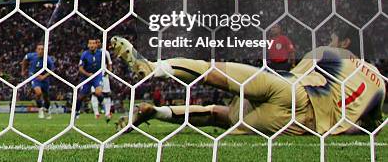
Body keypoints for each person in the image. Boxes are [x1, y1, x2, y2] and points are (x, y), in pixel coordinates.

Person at [112, 27, 385, 135]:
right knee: (224, 116)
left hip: (290, 89)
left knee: (213, 71)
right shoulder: (380, 85)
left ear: (347, 43)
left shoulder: (331, 53)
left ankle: (153, 68)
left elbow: (300, 75)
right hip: (303, 126)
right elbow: (371, 124)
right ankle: (156, 112)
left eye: (334, 38)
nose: (330, 42)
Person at [21, 43, 55, 119]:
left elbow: (52, 69)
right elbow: (25, 60)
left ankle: (47, 109)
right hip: (34, 77)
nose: (40, 51)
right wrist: (23, 70)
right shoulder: (31, 56)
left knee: (46, 97)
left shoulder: (47, 59)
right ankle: (40, 109)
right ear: (36, 50)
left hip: (44, 79)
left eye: (42, 49)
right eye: (39, 49)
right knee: (38, 93)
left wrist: (44, 76)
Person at [76, 39, 105, 118]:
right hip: (86, 77)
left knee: (98, 92)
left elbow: (107, 63)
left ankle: (102, 105)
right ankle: (77, 111)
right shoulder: (84, 54)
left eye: (93, 43)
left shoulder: (101, 54)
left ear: (96, 45)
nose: (91, 45)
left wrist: (106, 72)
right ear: (88, 45)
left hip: (97, 76)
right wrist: (87, 74)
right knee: (80, 97)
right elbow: (80, 68)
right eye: (90, 43)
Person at [91, 39, 113, 121]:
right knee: (94, 94)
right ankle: (96, 113)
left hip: (104, 76)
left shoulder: (105, 52)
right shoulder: (91, 53)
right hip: (94, 76)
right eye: (96, 42)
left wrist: (109, 72)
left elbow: (110, 63)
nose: (98, 44)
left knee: (107, 94)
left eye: (99, 42)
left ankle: (107, 113)